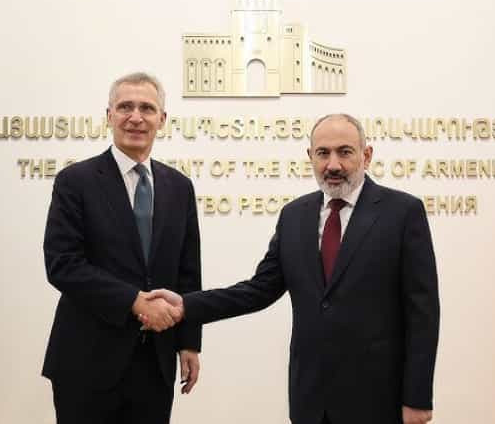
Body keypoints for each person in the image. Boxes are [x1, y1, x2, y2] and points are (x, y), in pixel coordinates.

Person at [144, 114, 440, 424]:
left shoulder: (402, 213)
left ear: (366, 155)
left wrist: (417, 397)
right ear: (310, 156)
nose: (333, 164)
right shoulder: (294, 215)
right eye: (323, 153)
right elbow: (258, 290)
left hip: (379, 399)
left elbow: (423, 313)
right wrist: (186, 305)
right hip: (311, 400)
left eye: (345, 152)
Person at [42, 72, 201, 424]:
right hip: (86, 360)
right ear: (109, 115)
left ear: (162, 119)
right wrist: (134, 300)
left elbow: (187, 271)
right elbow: (62, 265)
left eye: (147, 108)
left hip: (155, 362)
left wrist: (189, 342)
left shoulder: (180, 187)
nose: (136, 117)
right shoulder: (75, 181)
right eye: (126, 107)